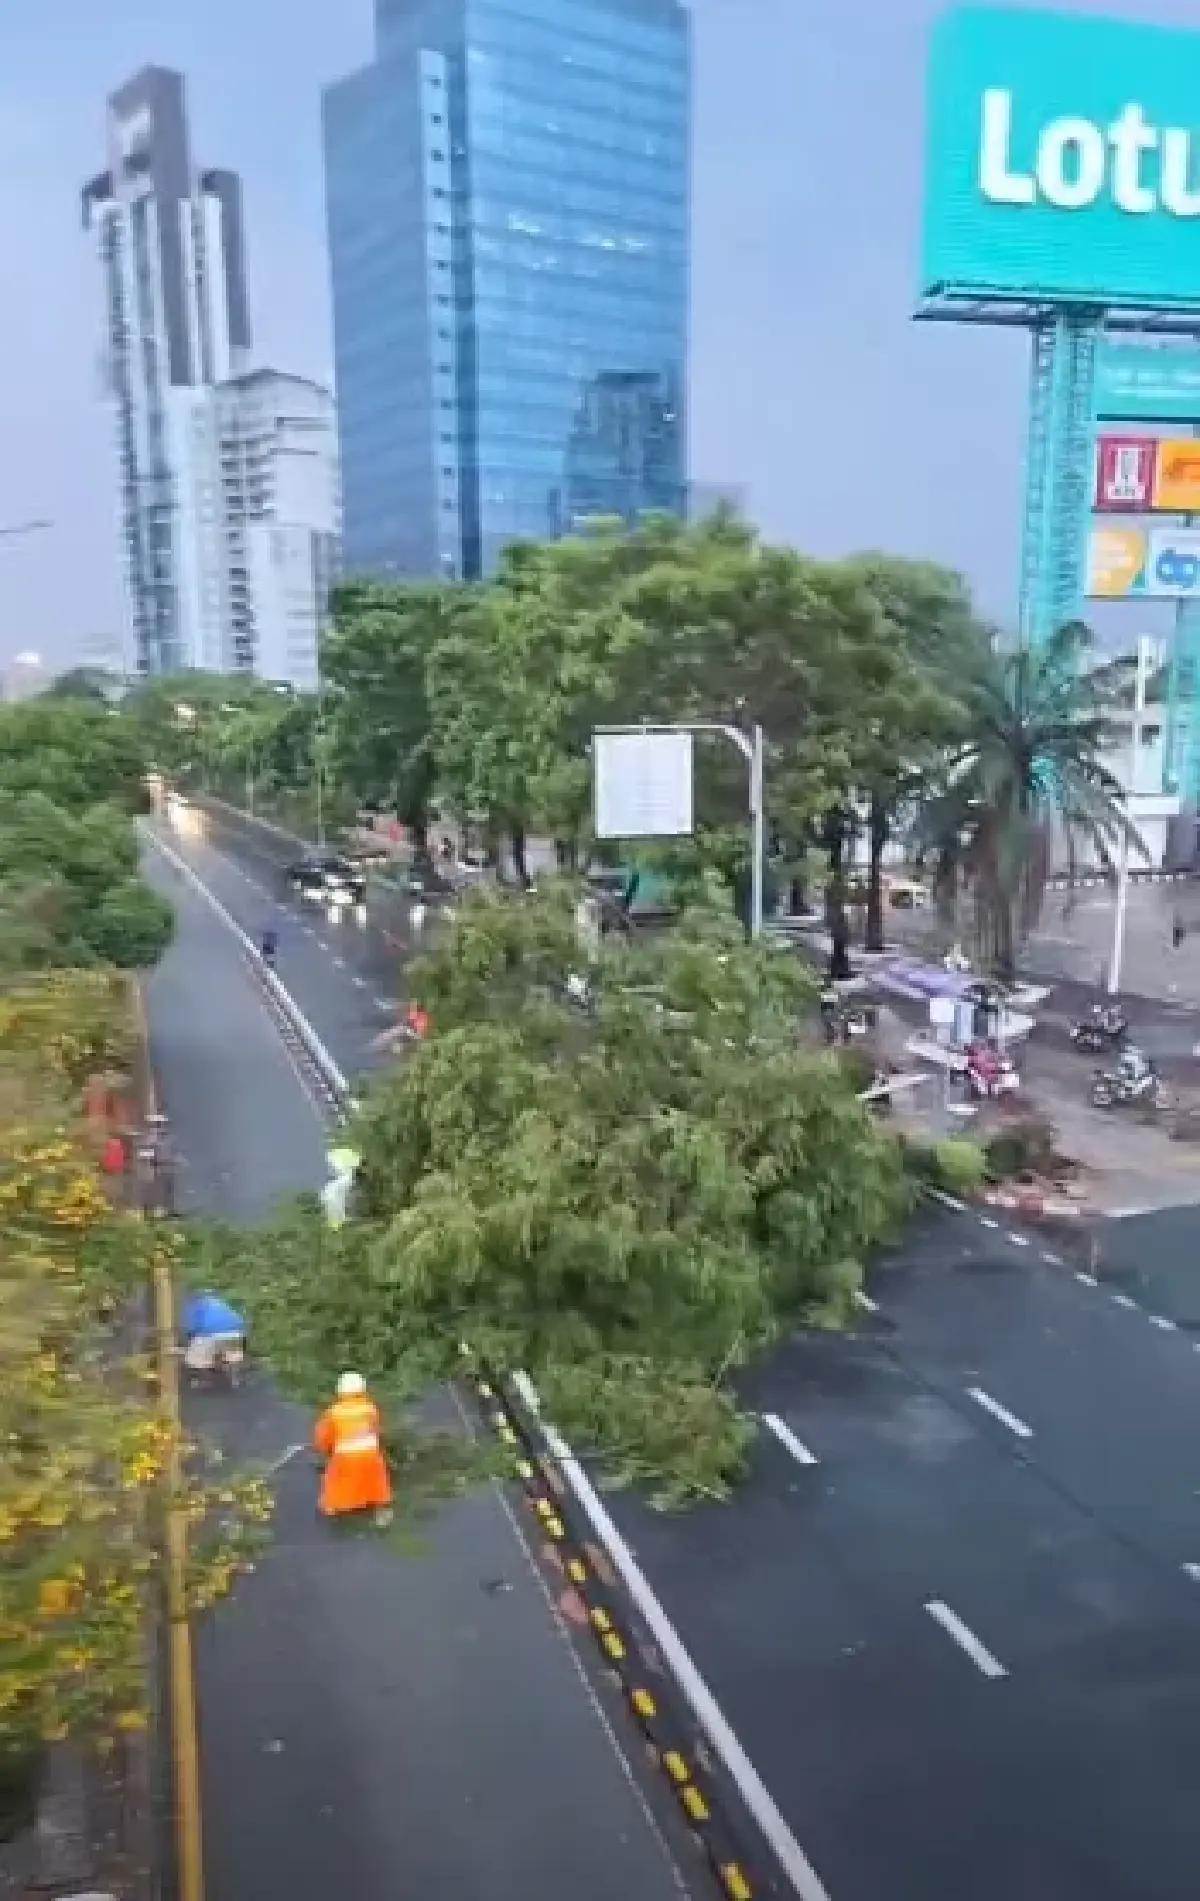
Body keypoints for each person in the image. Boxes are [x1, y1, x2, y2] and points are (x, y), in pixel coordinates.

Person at [313, 1372, 393, 1524]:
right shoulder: (370, 1408)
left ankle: (333, 1506)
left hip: (345, 1455)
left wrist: (323, 1448)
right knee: (376, 1480)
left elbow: (324, 1435)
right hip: (370, 1453)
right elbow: (375, 1428)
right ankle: (379, 1505)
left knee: (335, 1479)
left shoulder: (333, 1412)